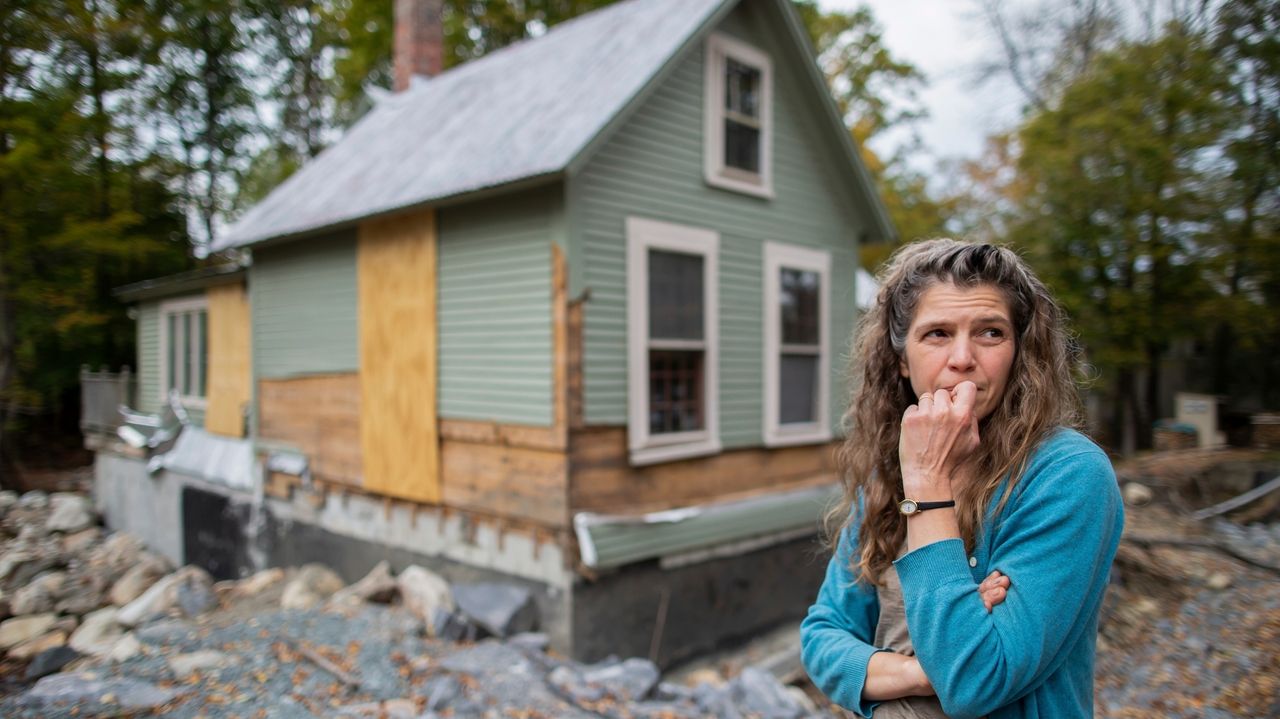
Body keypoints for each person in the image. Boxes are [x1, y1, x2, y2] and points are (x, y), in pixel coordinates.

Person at [800, 239, 1123, 719]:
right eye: (936, 334)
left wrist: (928, 483)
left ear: (1020, 352)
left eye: (990, 333)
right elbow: (823, 634)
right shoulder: (890, 473)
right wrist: (920, 672)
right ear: (902, 360)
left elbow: (974, 679)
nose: (962, 358)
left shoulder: (1066, 475)